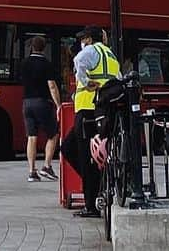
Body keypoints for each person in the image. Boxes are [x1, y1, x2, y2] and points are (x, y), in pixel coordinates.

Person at [64, 26, 120, 219]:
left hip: (88, 110)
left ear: (90, 39)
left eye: (84, 38)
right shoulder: (111, 55)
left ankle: (91, 204)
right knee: (71, 148)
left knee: (82, 155)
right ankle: (97, 186)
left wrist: (86, 81)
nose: (82, 42)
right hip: (102, 112)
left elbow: (78, 60)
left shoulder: (92, 50)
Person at [21, 36, 61, 183]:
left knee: (32, 137)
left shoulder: (24, 63)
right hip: (41, 102)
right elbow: (51, 85)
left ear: (31, 46)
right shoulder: (46, 64)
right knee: (53, 134)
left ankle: (32, 171)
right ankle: (46, 165)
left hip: (27, 103)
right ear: (44, 48)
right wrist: (58, 104)